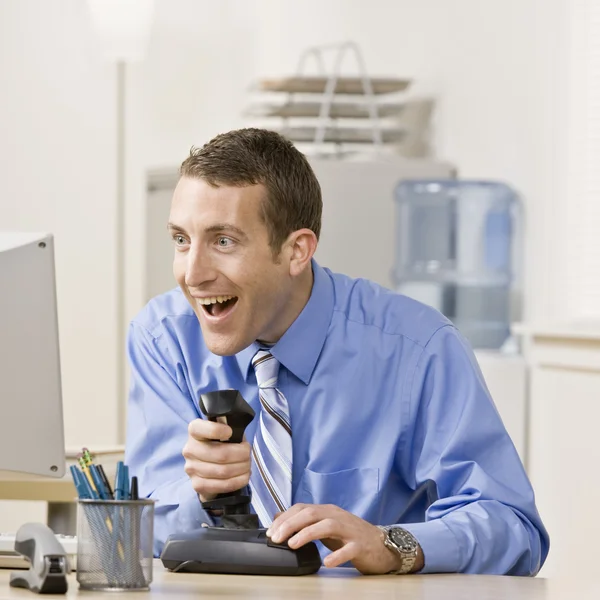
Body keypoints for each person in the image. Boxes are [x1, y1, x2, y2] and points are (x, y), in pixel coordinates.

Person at [125, 128, 549, 575]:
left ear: (297, 251)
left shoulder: (418, 349)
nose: (192, 274)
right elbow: (138, 528)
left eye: (223, 241)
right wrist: (203, 496)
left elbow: (514, 528)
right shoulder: (163, 338)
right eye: (181, 240)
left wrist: (394, 545)